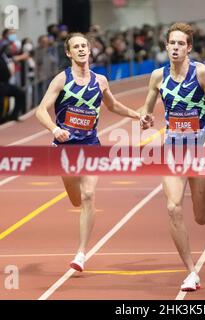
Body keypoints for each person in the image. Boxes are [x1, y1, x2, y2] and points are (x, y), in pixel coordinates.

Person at [35, 33, 142, 272]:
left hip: (91, 145)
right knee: (75, 199)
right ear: (68, 53)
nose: (82, 50)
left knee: (88, 196)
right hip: (64, 148)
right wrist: (55, 128)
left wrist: (136, 114)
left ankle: (81, 253)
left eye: (84, 46)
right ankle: (81, 244)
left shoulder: (101, 80)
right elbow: (41, 110)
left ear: (90, 50)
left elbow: (112, 105)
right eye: (76, 47)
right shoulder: (61, 79)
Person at [140, 22, 205, 291]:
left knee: (201, 217)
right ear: (166, 46)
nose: (175, 48)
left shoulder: (202, 73)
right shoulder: (157, 76)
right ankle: (191, 271)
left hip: (200, 148)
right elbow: (147, 109)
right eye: (171, 43)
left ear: (188, 48)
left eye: (180, 44)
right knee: (173, 207)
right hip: (173, 149)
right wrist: (144, 118)